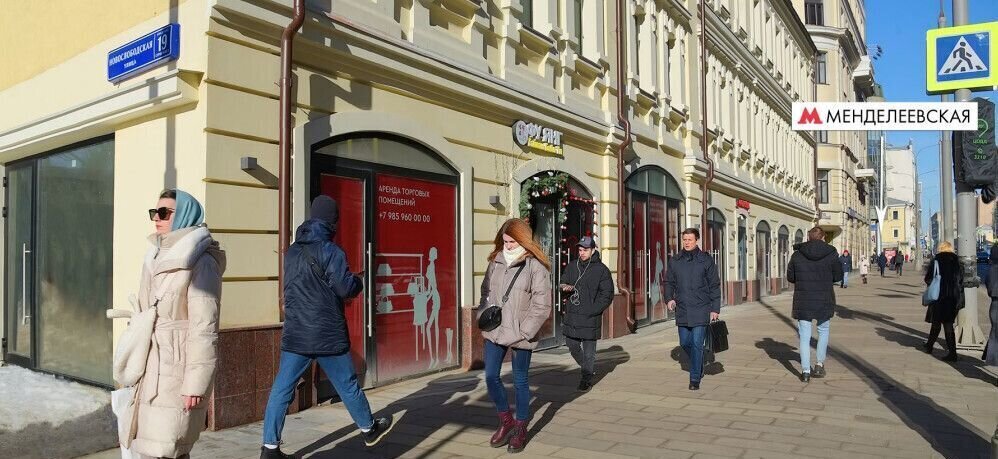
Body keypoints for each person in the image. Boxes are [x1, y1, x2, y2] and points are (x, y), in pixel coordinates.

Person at [261, 196, 393, 459]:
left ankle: (269, 448)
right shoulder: (332, 251)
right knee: (347, 385)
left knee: (281, 389)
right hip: (327, 333)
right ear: (333, 221)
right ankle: (369, 430)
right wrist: (358, 282)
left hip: (296, 332)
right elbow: (344, 288)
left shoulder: (292, 251)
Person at [126, 189, 225, 459]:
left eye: (163, 213)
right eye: (153, 213)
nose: (156, 218)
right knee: (158, 447)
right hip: (151, 366)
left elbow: (204, 327)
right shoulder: (155, 256)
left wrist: (195, 384)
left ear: (183, 215)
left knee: (168, 445)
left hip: (176, 369)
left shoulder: (201, 262)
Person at [479, 218, 552, 453]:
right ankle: (505, 419)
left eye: (512, 242)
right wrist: (484, 313)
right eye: (505, 241)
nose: (507, 246)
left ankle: (520, 427)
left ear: (523, 240)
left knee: (520, 380)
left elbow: (542, 305)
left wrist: (525, 331)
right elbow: (485, 290)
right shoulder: (496, 262)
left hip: (521, 333)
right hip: (495, 330)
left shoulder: (535, 267)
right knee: (491, 376)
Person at [664, 228, 721, 391]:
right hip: (682, 308)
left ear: (697, 240)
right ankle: (699, 362)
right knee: (685, 343)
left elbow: (714, 286)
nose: (687, 242)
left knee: (696, 343)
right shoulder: (675, 260)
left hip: (701, 308)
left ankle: (695, 378)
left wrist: (714, 308)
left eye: (690, 239)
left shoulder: (706, 260)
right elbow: (669, 282)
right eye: (685, 239)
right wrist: (669, 298)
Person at [787, 227, 842, 383]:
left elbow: (790, 277)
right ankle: (819, 364)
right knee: (823, 330)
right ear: (823, 238)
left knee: (804, 336)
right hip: (824, 299)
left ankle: (805, 371)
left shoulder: (797, 255)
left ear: (808, 238)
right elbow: (837, 276)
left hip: (803, 299)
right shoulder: (831, 254)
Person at [559, 236, 614, 392]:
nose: (582, 253)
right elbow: (561, 282)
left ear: (593, 250)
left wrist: (593, 310)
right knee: (572, 345)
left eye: (585, 250)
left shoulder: (601, 270)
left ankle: (586, 378)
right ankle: (587, 368)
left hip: (590, 317)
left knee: (589, 352)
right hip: (573, 315)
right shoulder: (571, 266)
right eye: (580, 249)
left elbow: (607, 294)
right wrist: (564, 287)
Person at [922, 242, 964, 362]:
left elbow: (928, 279)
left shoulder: (936, 261)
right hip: (952, 298)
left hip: (938, 297)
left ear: (940, 249)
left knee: (936, 323)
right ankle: (952, 352)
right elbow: (961, 280)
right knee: (948, 324)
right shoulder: (957, 262)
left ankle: (930, 346)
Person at [985, 245, 998, 366]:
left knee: (995, 332)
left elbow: (989, 287)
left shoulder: (993, 269)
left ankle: (993, 359)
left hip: (995, 303)